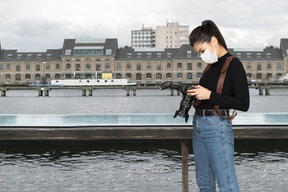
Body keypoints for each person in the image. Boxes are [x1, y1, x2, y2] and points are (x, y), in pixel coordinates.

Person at [187, 20, 249, 192]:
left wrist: (210, 95)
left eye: (202, 50)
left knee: (227, 185)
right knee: (205, 185)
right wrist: (195, 95)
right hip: (199, 125)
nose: (201, 55)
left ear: (213, 41)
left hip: (217, 128)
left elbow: (244, 103)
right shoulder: (210, 67)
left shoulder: (234, 64)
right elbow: (208, 96)